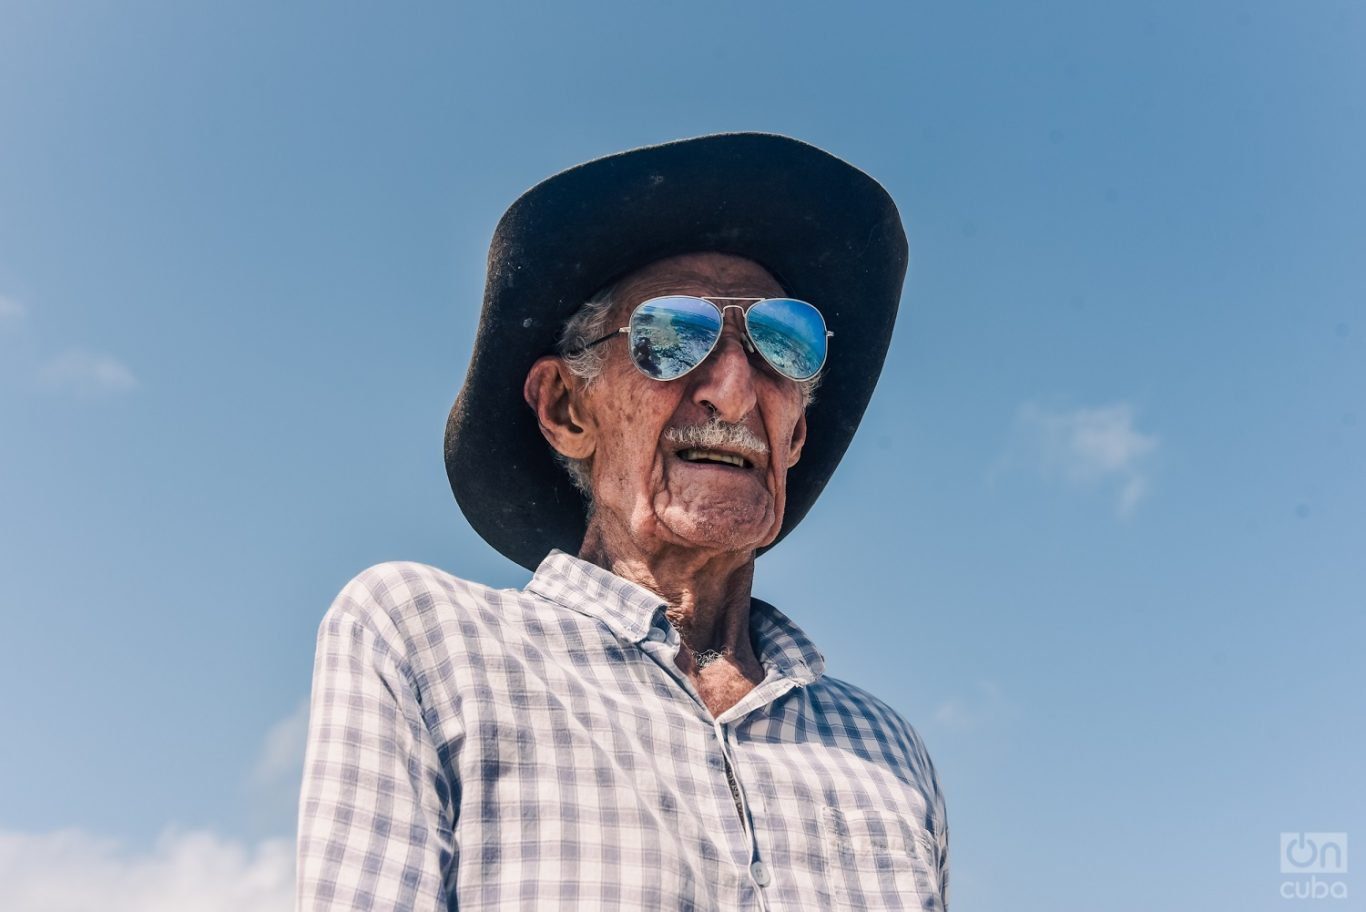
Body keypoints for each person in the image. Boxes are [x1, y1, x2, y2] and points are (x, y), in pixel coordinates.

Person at [296, 133, 950, 911]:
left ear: (796, 435)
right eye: (672, 337)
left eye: (782, 343)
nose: (736, 392)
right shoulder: (424, 640)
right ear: (569, 409)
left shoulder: (887, 753)